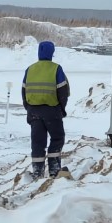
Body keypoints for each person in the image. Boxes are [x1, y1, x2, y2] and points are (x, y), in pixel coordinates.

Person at [22, 40, 70, 178]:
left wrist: (29, 108)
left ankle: (38, 171)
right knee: (57, 138)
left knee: (37, 141)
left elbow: (24, 91)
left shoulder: (30, 69)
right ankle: (54, 169)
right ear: (52, 53)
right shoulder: (56, 69)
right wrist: (61, 109)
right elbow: (63, 92)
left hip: (33, 111)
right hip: (52, 111)